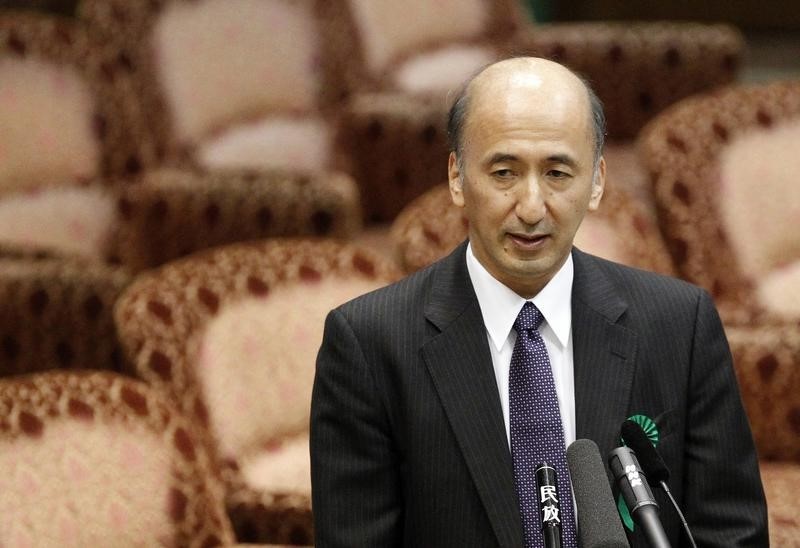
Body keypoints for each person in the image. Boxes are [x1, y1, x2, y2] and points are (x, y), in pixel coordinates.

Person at [310, 57, 768, 547]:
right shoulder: (369, 345)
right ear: (457, 178)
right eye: (504, 172)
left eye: (557, 173)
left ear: (595, 182)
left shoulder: (679, 324)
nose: (531, 208)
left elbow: (732, 532)